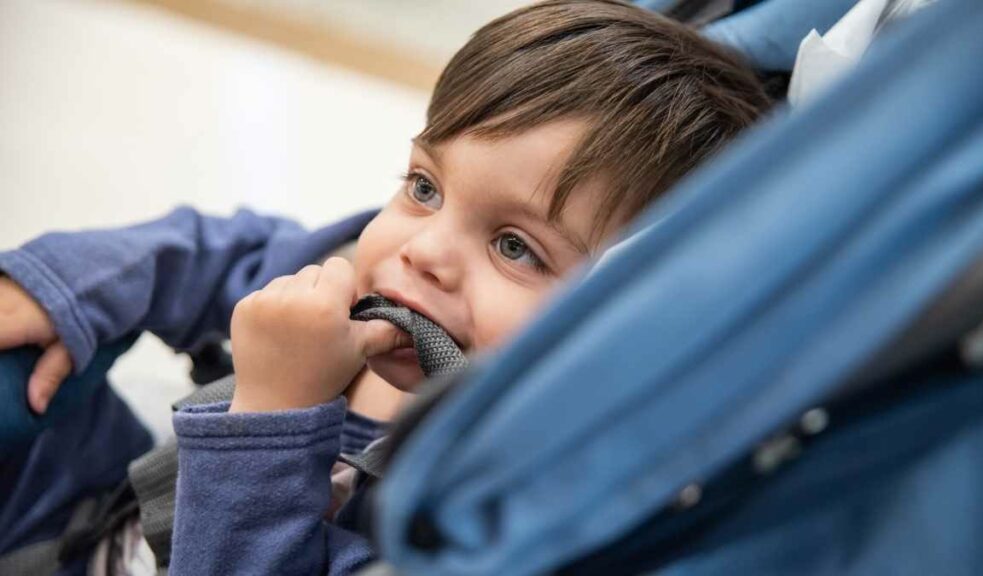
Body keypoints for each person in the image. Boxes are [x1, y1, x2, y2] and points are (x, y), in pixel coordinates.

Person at [0, 1, 770, 574]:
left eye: (514, 247)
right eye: (426, 187)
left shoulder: (471, 511)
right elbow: (212, 250)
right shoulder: (362, 282)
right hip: (79, 516)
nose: (422, 250)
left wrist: (273, 416)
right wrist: (61, 289)